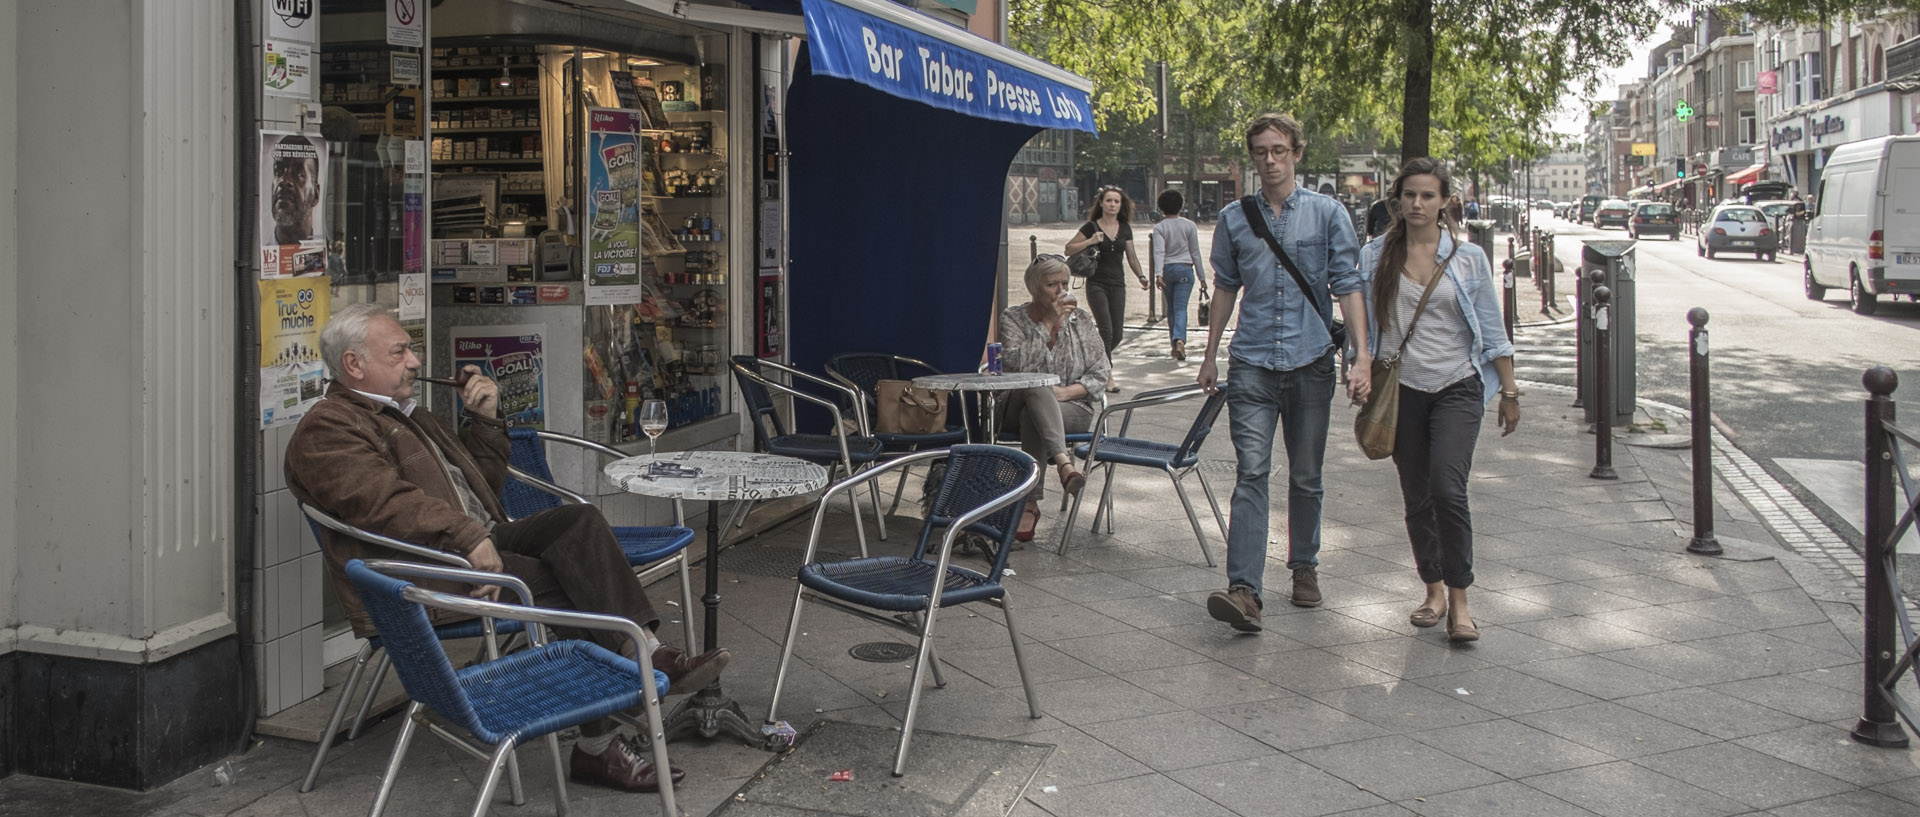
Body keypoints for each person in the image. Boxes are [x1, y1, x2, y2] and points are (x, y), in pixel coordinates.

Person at [285, 303, 729, 793]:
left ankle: (641, 653)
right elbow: (382, 503)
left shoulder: (410, 415)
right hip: (426, 572)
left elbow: (482, 492)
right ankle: (604, 736)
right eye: (400, 352)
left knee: (578, 523)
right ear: (354, 364)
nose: (414, 361)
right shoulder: (328, 427)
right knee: (573, 587)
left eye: (410, 350)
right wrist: (469, 536)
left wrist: (487, 420)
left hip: (476, 540)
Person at [1195, 112, 1371, 631]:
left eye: (1278, 150)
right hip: (1251, 362)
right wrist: (1210, 353)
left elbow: (1348, 283)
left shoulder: (1327, 213)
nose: (1269, 161)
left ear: (1296, 152)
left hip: (1311, 360)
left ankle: (1304, 566)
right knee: (1251, 472)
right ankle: (1244, 589)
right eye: (1260, 152)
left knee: (1306, 475)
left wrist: (1360, 353)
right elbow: (1225, 285)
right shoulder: (1234, 218)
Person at [1358, 158, 1520, 643]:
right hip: (1401, 392)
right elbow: (1362, 325)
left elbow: (1492, 330)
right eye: (1409, 195)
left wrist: (1509, 392)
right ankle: (1432, 591)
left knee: (1449, 490)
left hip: (1458, 387)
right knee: (1417, 496)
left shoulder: (1467, 259)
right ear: (1397, 200)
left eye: (1428, 195)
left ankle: (1461, 601)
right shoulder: (1374, 257)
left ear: (1446, 200)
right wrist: (1359, 366)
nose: (1417, 204)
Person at [993, 255, 1106, 540]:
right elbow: (1015, 367)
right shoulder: (1013, 318)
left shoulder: (1081, 320)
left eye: (1064, 283)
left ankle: (1030, 501)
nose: (1061, 291)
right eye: (1052, 284)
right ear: (1034, 288)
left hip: (1072, 407)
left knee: (1035, 410)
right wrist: (1046, 324)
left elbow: (1101, 374)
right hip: (1014, 400)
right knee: (1036, 383)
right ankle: (1064, 464)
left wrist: (1064, 392)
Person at [1064, 185, 1148, 392]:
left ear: (1121, 205)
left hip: (1118, 284)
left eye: (1116, 201)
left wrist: (1142, 276)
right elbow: (1068, 248)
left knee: (1117, 333)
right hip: (1096, 283)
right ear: (1101, 203)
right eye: (1108, 201)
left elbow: (1132, 256)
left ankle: (1090, 361)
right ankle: (1107, 375)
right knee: (1106, 330)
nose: (1112, 204)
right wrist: (1091, 241)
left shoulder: (1125, 228)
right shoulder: (1091, 227)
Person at [1150, 189, 1210, 362]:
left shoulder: (1160, 227)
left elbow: (1159, 252)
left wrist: (1158, 274)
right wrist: (1202, 277)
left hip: (1168, 270)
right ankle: (1180, 339)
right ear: (1180, 205)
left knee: (1171, 309)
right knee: (1181, 307)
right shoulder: (1189, 225)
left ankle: (1173, 343)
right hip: (1185, 269)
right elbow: (1195, 252)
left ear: (1161, 207)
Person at [269, 135, 322, 245]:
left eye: (299, 174)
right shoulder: (259, 257)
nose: (284, 180)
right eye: (278, 171)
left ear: (316, 194)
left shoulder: (321, 258)